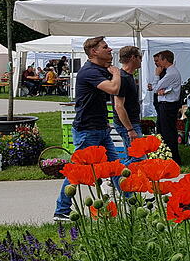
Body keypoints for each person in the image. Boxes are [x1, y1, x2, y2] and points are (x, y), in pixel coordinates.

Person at [54, 36, 121, 221]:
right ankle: (61, 211)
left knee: (115, 168)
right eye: (105, 47)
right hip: (87, 130)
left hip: (100, 129)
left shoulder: (99, 70)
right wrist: (116, 72)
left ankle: (132, 202)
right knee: (77, 172)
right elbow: (114, 88)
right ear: (94, 51)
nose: (110, 50)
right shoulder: (89, 72)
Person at [112, 46, 144, 165]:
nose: (141, 60)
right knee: (138, 158)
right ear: (132, 57)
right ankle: (116, 175)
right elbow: (119, 106)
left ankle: (122, 180)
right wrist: (130, 129)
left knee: (132, 157)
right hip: (128, 124)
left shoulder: (128, 76)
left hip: (131, 122)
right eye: (139, 57)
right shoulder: (123, 78)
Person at [151, 50, 182, 164]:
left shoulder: (171, 73)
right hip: (167, 105)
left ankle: (173, 158)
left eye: (159, 60)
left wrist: (156, 75)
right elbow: (158, 89)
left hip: (168, 106)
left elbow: (155, 88)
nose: (158, 63)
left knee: (168, 132)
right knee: (164, 131)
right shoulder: (171, 72)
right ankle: (168, 156)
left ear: (165, 60)